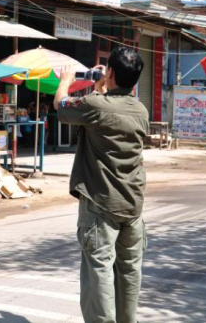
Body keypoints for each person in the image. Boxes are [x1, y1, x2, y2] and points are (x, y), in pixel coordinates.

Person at [54, 47, 148, 323]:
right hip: (132, 203)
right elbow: (109, 110)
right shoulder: (140, 110)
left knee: (100, 272)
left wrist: (65, 81)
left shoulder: (96, 105)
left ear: (111, 73)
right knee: (129, 272)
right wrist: (100, 89)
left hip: (101, 202)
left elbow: (62, 106)